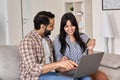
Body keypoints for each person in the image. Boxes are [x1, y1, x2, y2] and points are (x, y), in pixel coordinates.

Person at [19, 11, 79, 80]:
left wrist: (61, 62)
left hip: (51, 74)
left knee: (80, 77)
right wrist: (57, 64)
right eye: (51, 26)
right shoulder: (28, 41)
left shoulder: (48, 40)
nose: (53, 28)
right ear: (42, 27)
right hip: (35, 77)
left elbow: (51, 64)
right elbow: (33, 69)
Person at [53, 12, 108, 80]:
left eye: (72, 25)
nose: (70, 29)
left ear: (76, 25)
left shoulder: (83, 36)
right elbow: (57, 64)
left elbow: (90, 58)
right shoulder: (58, 40)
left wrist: (90, 49)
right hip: (68, 71)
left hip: (84, 70)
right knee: (88, 79)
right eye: (67, 26)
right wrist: (62, 61)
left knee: (103, 77)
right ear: (63, 27)